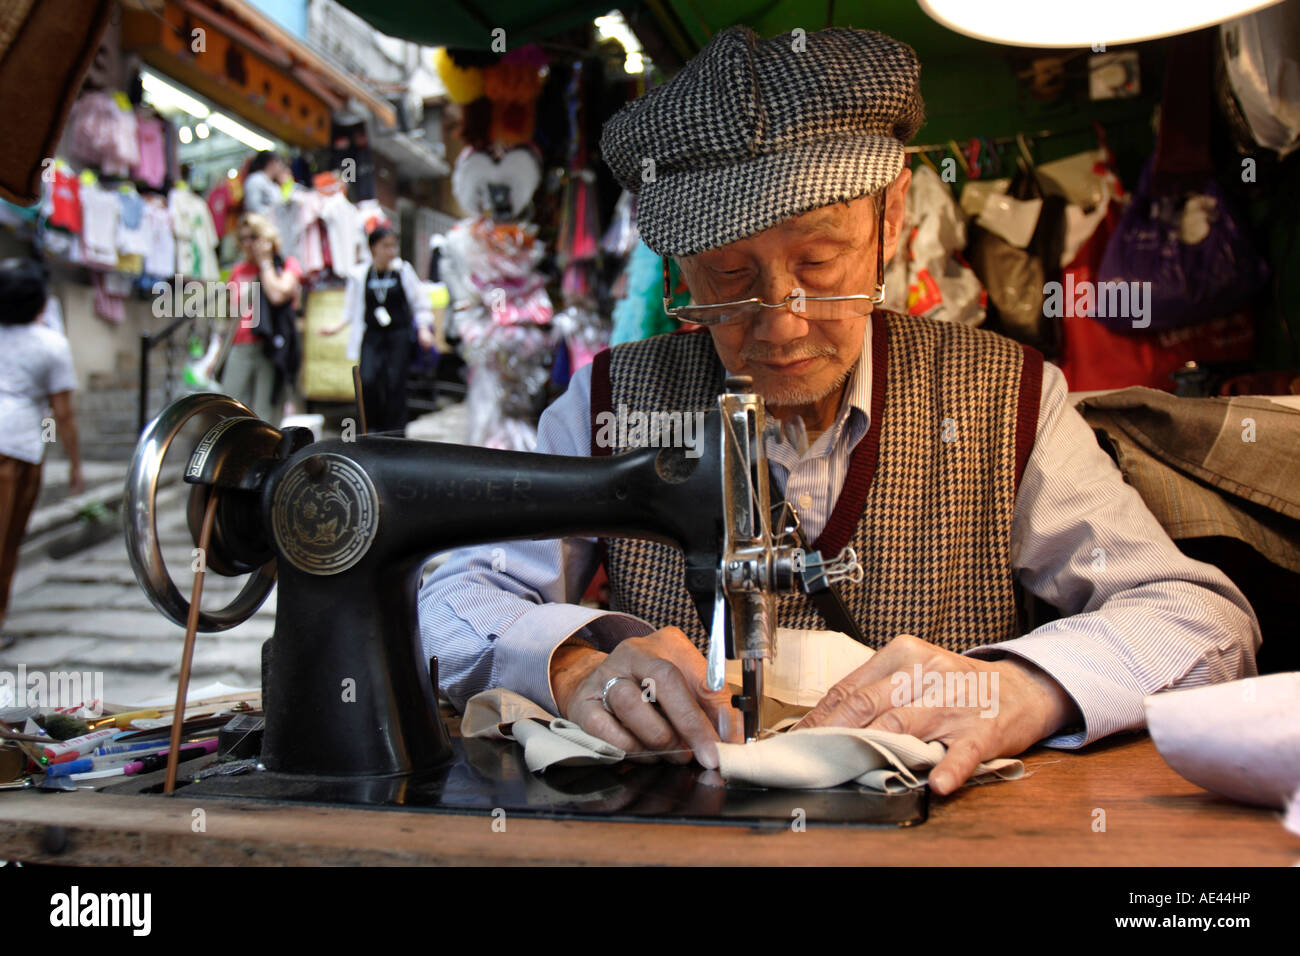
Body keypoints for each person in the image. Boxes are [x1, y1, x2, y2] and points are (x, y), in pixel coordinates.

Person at [418, 27, 1259, 794]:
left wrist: (1024, 688)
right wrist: (567, 664)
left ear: (890, 219)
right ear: (679, 261)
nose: (779, 324)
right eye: (729, 275)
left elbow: (1199, 620)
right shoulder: (606, 404)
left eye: (819, 261)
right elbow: (452, 598)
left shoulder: (1007, 399)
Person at [0, 258, 82, 644]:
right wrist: (74, 465)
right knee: (7, 540)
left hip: (17, 445)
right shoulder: (51, 345)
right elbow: (63, 415)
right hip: (17, 447)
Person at [321, 226, 435, 433]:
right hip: (372, 336)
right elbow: (351, 308)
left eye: (393, 246)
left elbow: (419, 302)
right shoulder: (361, 274)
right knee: (368, 379)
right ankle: (372, 429)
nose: (391, 251)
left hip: (397, 336)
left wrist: (424, 329)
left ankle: (395, 433)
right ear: (373, 248)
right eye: (385, 246)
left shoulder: (403, 271)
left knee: (395, 383)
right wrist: (335, 327)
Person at [212, 212, 302, 423]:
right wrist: (216, 352)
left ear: (266, 237)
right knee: (230, 409)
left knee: (265, 414)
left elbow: (278, 294)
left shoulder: (286, 265)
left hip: (270, 346)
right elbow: (229, 316)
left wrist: (265, 263)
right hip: (240, 346)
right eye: (242, 238)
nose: (247, 244)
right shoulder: (237, 270)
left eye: (253, 237)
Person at [242, 151, 290, 215]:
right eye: (279, 163)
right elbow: (252, 207)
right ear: (271, 163)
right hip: (259, 223)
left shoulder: (273, 183)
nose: (281, 167)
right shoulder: (255, 180)